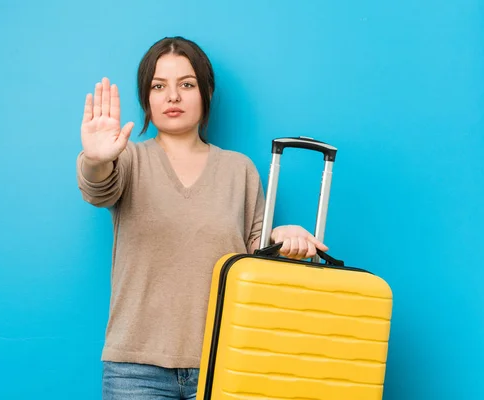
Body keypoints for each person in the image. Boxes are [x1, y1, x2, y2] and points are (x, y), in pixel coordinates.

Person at [76, 36, 328, 400]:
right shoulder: (129, 159)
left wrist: (284, 235)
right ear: (146, 97)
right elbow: (97, 189)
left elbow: (256, 254)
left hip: (226, 359)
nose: (172, 97)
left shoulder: (238, 169)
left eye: (187, 85)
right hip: (136, 369)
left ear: (206, 92)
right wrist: (98, 160)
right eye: (159, 86)